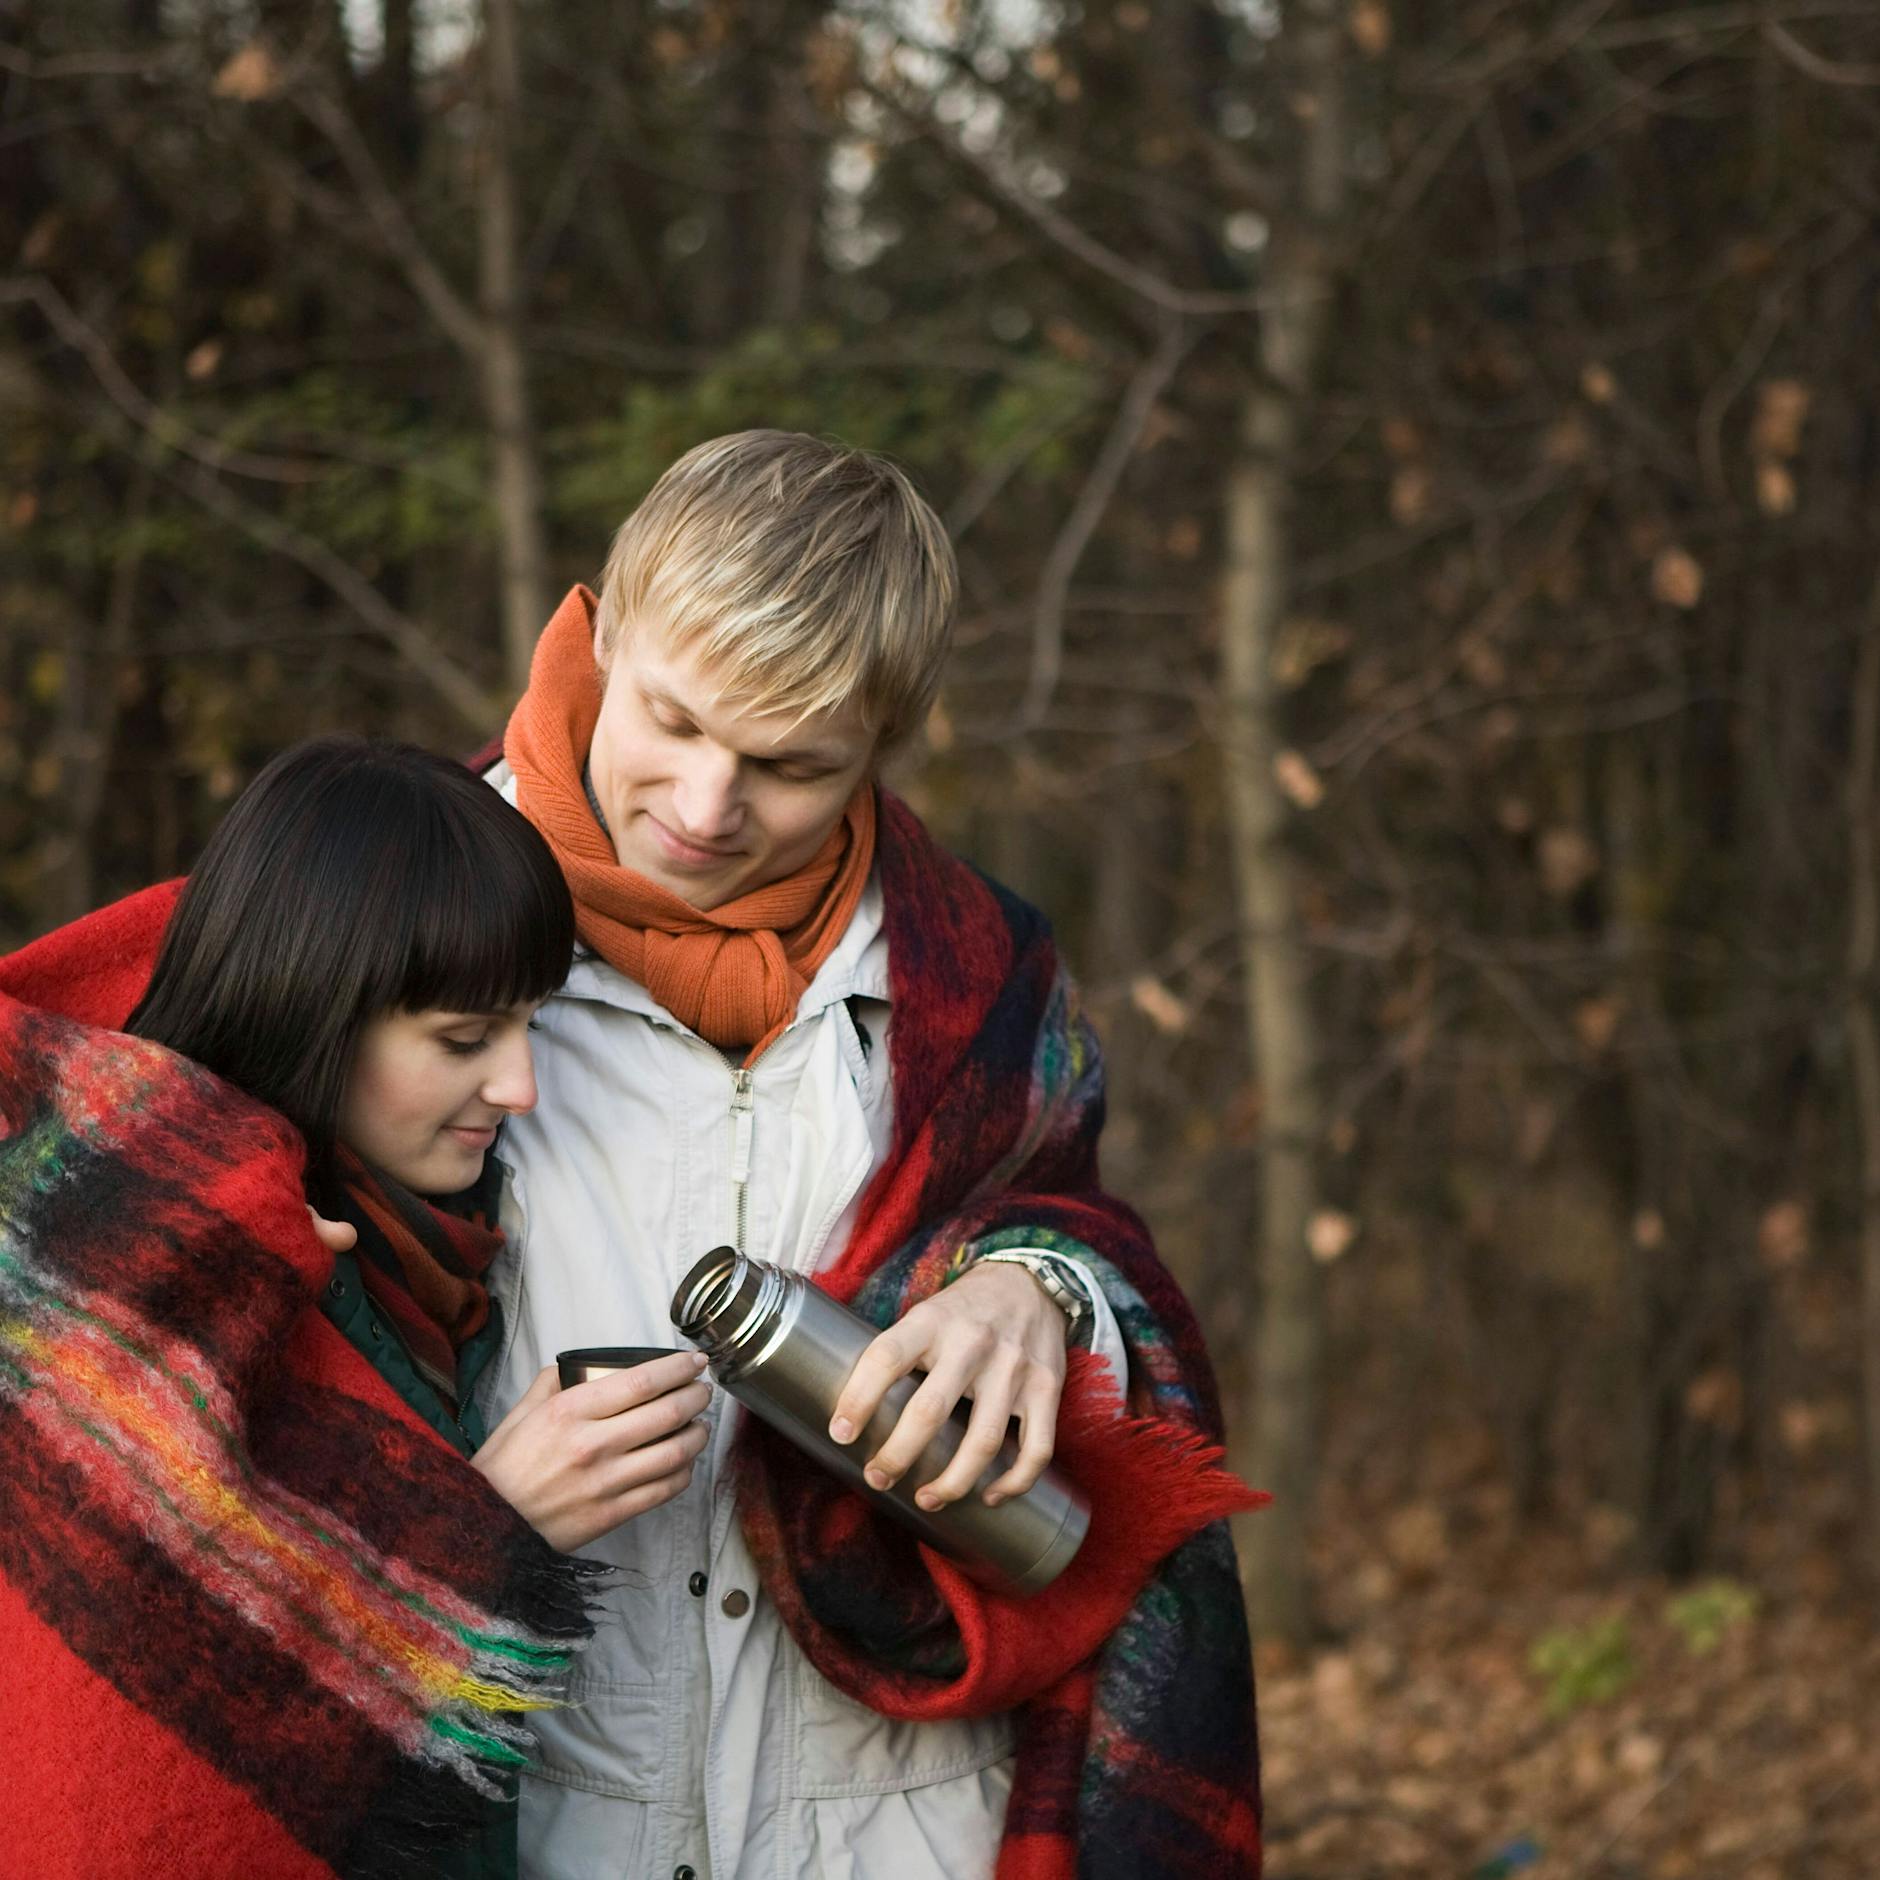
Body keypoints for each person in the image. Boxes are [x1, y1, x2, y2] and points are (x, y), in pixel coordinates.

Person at [482, 430, 1265, 1879]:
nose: (707, 809)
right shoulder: (388, 916)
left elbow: (1067, 1217)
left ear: (881, 747)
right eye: (671, 721)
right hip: (530, 1821)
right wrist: (458, 1518)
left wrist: (1036, 1285)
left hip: (896, 1830)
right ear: (603, 628)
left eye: (790, 767)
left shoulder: (975, 968)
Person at [0, 737, 708, 1880]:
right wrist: (486, 1523)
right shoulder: (125, 1269)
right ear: (315, 1007)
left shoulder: (439, 1242)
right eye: (463, 1040)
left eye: (531, 1023)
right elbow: (131, 1744)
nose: (520, 1086)